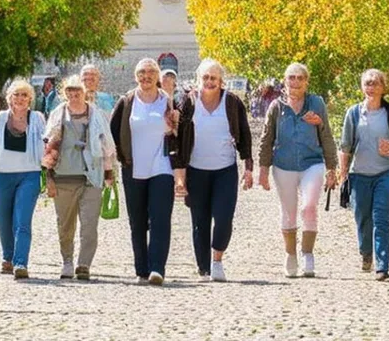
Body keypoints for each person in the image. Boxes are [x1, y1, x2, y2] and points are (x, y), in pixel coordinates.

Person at [174, 58, 253, 282]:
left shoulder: (232, 102)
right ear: (199, 80)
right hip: (196, 170)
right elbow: (177, 140)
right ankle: (204, 269)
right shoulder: (187, 102)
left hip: (225, 170)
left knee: (224, 217)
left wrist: (248, 166)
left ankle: (217, 259)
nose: (209, 82)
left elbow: (245, 135)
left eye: (214, 78)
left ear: (221, 81)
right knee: (200, 221)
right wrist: (179, 174)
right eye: (205, 77)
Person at [257, 62, 337, 278]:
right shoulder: (276, 107)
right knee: (289, 212)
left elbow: (326, 134)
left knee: (309, 206)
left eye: (300, 78)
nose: (295, 82)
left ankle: (307, 254)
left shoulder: (316, 103)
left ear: (306, 82)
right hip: (283, 165)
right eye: (291, 77)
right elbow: (267, 138)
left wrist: (332, 168)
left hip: (312, 162)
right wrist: (263, 169)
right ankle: (290, 255)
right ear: (285, 81)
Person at [110, 57, 183, 285]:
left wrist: (177, 123)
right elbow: (113, 132)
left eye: (151, 72)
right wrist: (118, 161)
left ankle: (157, 268)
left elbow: (181, 133)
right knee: (137, 220)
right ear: (136, 76)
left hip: (161, 166)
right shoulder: (127, 101)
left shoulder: (168, 101)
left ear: (158, 76)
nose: (146, 77)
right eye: (142, 72)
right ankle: (141, 268)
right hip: (133, 167)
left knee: (161, 218)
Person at [338, 69, 389, 281]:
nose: (371, 87)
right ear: (362, 86)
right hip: (359, 174)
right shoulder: (353, 113)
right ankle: (366, 252)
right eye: (367, 83)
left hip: (385, 174)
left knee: (381, 218)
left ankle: (382, 264)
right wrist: (343, 174)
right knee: (362, 217)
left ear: (383, 87)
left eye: (375, 83)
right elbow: (345, 146)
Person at [43, 74, 117, 280]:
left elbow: (107, 147)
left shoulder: (97, 115)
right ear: (64, 93)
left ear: (85, 92)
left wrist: (109, 174)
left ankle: (84, 263)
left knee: (89, 223)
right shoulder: (57, 114)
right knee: (65, 224)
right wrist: (48, 177)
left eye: (78, 91)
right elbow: (47, 147)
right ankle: (67, 260)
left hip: (91, 176)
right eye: (69, 92)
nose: (74, 95)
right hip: (63, 175)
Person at [0, 79, 47, 279]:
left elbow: (45, 143)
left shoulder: (37, 118)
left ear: (30, 99)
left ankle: (21, 262)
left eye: (24, 95)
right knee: (4, 220)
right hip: (2, 173)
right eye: (16, 95)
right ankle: (8, 257)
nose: (20, 99)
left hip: (29, 173)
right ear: (9, 98)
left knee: (22, 219)